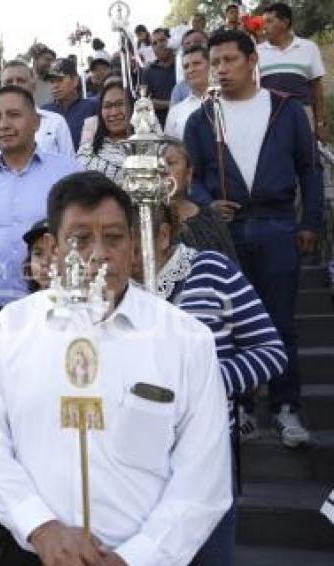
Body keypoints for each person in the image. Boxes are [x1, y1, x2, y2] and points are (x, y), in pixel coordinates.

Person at [0, 171, 232, 565]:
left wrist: (137, 557)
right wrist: (41, 527)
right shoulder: (14, 326)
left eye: (114, 237)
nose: (100, 253)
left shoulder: (186, 339)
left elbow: (203, 476)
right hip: (38, 552)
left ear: (133, 246)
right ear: (52, 248)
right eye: (80, 238)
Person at [185, 30, 323, 448]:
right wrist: (207, 204)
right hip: (224, 234)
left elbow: (310, 170)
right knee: (228, 325)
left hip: (279, 225)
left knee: (281, 322)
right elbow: (189, 176)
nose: (221, 69)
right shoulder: (201, 118)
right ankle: (237, 406)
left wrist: (310, 223)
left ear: (251, 61)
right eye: (216, 62)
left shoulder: (287, 110)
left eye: (229, 60)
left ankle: (286, 407)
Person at [138, 201, 286, 566]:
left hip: (206, 455)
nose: (114, 249)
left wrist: (200, 384)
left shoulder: (210, 269)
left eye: (122, 235)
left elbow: (270, 351)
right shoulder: (110, 283)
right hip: (133, 462)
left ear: (162, 234)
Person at [0, 85, 82, 308]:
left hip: (56, 308)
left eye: (13, 115)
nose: (3, 125)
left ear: (36, 122)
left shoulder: (69, 174)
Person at [0, 60, 74, 174]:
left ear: (33, 86)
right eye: (9, 82)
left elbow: (70, 168)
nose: (15, 86)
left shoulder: (56, 122)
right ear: (1, 88)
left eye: (20, 81)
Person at [259, 2, 328, 141]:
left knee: (306, 160)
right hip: (268, 118)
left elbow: (316, 88)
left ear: (285, 22)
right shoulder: (256, 51)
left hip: (303, 115)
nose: (264, 26)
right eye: (263, 22)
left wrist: (320, 123)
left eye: (269, 21)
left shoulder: (308, 47)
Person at [162, 138, 237, 261]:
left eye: (171, 163)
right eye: (157, 164)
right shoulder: (144, 222)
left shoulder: (210, 219)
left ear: (189, 173)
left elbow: (230, 268)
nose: (163, 170)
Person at [76, 80, 132, 184]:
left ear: (132, 107)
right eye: (107, 106)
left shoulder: (148, 146)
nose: (114, 112)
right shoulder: (87, 151)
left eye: (120, 104)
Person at [41, 58, 98, 148]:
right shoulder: (44, 112)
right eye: (52, 81)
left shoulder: (91, 108)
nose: (55, 85)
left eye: (60, 80)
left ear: (75, 81)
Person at [165, 45, 210, 139]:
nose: (190, 70)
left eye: (196, 63)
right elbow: (170, 149)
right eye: (186, 67)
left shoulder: (229, 102)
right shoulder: (176, 111)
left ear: (210, 65)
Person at [142, 27, 176, 127]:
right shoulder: (148, 71)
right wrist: (171, 104)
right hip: (161, 129)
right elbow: (144, 103)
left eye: (162, 40)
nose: (159, 45)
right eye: (154, 43)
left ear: (171, 41)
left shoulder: (184, 65)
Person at [169, 29, 209, 107]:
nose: (193, 45)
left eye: (198, 42)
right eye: (188, 43)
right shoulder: (179, 89)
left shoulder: (224, 81)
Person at [22, 219, 51, 293]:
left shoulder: (81, 303)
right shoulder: (23, 304)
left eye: (54, 253)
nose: (45, 262)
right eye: (38, 254)